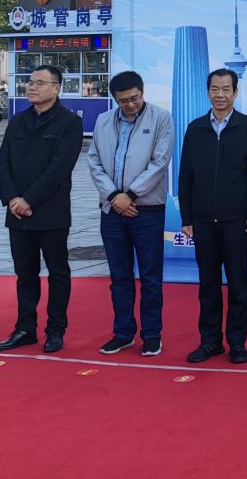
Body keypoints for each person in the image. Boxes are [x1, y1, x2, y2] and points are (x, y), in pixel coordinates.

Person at [0, 65, 84, 354]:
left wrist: (29, 199)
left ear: (56, 88)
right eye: (30, 82)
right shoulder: (18, 121)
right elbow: (3, 162)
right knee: (25, 273)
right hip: (17, 212)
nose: (31, 87)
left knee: (58, 272)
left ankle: (55, 330)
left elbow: (59, 169)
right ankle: (25, 328)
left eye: (40, 83)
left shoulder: (70, 123)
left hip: (50, 211)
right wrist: (12, 198)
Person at [179, 68, 247, 365]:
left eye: (226, 89)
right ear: (207, 92)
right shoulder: (195, 128)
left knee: (238, 283)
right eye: (215, 89)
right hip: (203, 220)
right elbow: (186, 176)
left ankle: (237, 343)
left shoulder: (246, 126)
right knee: (208, 284)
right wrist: (186, 217)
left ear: (235, 92)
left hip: (236, 220)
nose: (220, 95)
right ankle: (210, 341)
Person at [86, 70, 173, 358]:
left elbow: (160, 163)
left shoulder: (161, 118)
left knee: (150, 277)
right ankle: (123, 333)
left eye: (135, 98)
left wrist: (131, 195)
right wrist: (114, 197)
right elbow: (94, 161)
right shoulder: (103, 120)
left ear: (142, 92)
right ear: (115, 99)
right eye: (123, 101)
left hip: (146, 210)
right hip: (112, 210)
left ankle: (152, 335)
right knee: (119, 276)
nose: (131, 105)